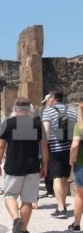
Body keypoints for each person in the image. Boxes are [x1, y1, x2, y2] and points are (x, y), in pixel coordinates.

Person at [0, 98, 48, 233]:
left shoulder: (8, 124)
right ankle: (23, 230)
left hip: (13, 166)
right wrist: (45, 165)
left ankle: (16, 219)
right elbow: (44, 147)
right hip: (32, 166)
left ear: (15, 109)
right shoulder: (37, 124)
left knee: (10, 195)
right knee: (28, 200)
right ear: (29, 109)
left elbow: (0, 147)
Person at [42, 89, 77, 218]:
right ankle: (63, 204)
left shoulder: (48, 111)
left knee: (56, 177)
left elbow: (45, 131)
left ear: (52, 97)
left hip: (55, 149)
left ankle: (61, 208)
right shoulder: (73, 110)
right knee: (64, 177)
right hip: (70, 148)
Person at [68, 102, 83, 232]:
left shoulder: (79, 126)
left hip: (82, 164)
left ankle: (76, 224)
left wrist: (71, 160)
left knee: (79, 195)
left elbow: (74, 146)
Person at [40, 94, 55, 198]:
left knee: (48, 165)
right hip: (52, 142)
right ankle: (50, 189)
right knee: (48, 165)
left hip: (48, 142)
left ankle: (50, 190)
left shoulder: (43, 112)